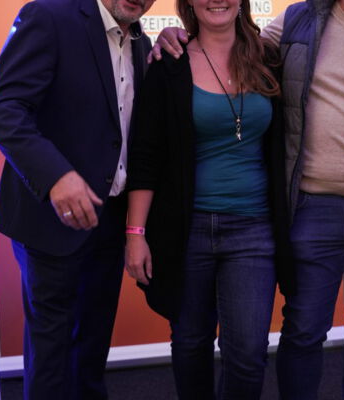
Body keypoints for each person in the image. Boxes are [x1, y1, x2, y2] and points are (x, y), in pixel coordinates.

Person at [152, 1, 344, 399]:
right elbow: (229, 40)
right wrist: (174, 36)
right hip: (311, 206)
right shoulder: (296, 21)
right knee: (304, 329)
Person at [0, 0, 155, 398]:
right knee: (51, 358)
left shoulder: (141, 43)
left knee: (92, 348)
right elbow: (4, 109)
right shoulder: (48, 16)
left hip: (109, 220)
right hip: (50, 219)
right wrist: (56, 176)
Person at [123, 0, 294, 398]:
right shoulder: (169, 62)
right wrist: (135, 233)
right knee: (190, 343)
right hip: (186, 230)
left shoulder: (269, 59)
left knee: (248, 353)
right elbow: (146, 156)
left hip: (254, 229)